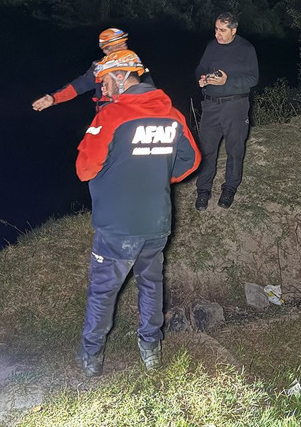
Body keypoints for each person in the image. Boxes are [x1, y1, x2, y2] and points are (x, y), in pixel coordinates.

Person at [75, 49, 200, 377]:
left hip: (117, 226)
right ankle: (150, 351)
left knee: (103, 292)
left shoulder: (110, 117)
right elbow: (191, 161)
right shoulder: (171, 113)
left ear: (120, 77)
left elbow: (85, 168)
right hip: (156, 224)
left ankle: (91, 357)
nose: (101, 90)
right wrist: (156, 175)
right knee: (150, 284)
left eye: (104, 83)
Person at [194, 12, 259, 210]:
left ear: (233, 30)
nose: (217, 34)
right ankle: (203, 190)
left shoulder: (246, 48)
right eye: (216, 29)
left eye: (222, 30)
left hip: (235, 106)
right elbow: (200, 67)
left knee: (235, 149)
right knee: (206, 150)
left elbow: (252, 79)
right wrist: (202, 79)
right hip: (211, 105)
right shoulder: (211, 46)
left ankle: (229, 188)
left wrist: (227, 81)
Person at [31, 27, 130, 112]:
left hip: (132, 112)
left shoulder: (134, 64)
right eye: (117, 46)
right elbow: (78, 86)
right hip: (108, 115)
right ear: (105, 50)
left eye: (123, 44)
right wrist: (54, 99)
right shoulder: (99, 68)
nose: (122, 48)